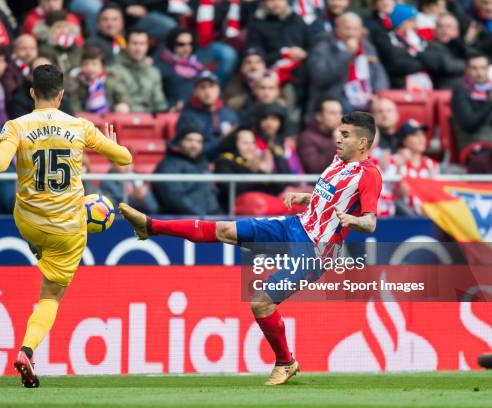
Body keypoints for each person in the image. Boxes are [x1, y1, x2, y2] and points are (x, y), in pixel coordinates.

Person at [119, 111, 382, 385]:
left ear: (362, 143)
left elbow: (371, 223)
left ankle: (285, 362)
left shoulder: (370, 175)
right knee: (224, 229)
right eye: (339, 132)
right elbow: (331, 196)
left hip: (313, 251)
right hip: (293, 226)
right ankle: (150, 226)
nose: (337, 138)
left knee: (260, 302)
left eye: (345, 135)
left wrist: (354, 220)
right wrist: (308, 197)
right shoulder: (338, 161)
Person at [0, 64, 132, 388]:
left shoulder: (17, 125)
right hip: (68, 229)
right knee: (50, 297)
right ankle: (26, 350)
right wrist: (112, 146)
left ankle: (36, 246)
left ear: (32, 93)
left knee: (26, 200)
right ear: (61, 95)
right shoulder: (79, 126)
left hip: (27, 221)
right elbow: (125, 158)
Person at [306, 12, 389, 117]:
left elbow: (378, 70)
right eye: (347, 29)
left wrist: (378, 93)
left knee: (384, 108)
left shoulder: (366, 45)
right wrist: (347, 54)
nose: (351, 33)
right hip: (335, 96)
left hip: (365, 94)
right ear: (337, 28)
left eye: (355, 29)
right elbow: (321, 77)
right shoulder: (322, 45)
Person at [152, 126, 221, 215]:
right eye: (189, 140)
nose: (194, 145)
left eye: (198, 141)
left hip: (209, 219)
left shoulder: (203, 163)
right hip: (185, 221)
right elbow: (173, 199)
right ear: (180, 142)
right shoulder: (168, 166)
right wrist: (201, 216)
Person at [176, 71, 239, 159]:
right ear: (195, 91)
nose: (208, 92)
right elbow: (189, 150)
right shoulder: (187, 117)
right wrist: (223, 141)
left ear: (218, 90)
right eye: (203, 87)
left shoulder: (229, 114)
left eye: (211, 87)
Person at [451, 51, 492, 173]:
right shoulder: (461, 92)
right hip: (474, 149)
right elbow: (469, 124)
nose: (479, 73)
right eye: (474, 68)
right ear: (467, 70)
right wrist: (488, 103)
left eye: (483, 68)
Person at [110, 29, 167, 113]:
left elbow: (159, 103)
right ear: (126, 45)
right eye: (134, 43)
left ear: (147, 46)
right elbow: (115, 101)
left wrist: (168, 110)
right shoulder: (113, 71)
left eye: (142, 44)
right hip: (123, 120)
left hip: (150, 121)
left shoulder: (154, 72)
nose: (138, 48)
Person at [66, 46, 129, 114]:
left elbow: (122, 96)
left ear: (103, 66)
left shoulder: (110, 80)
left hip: (109, 117)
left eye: (94, 64)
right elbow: (75, 105)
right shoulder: (76, 83)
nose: (90, 68)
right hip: (85, 120)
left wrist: (123, 104)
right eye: (86, 64)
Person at [156, 27, 205, 110]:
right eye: (181, 44)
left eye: (190, 44)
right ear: (172, 44)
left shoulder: (198, 66)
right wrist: (171, 106)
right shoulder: (160, 68)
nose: (187, 48)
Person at [421, 13, 470, 90]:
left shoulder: (460, 45)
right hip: (444, 91)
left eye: (448, 26)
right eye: (440, 26)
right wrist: (470, 66)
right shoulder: (431, 47)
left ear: (457, 31)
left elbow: (480, 58)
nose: (444, 30)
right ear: (435, 31)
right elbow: (447, 66)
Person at [297, 97, 343, 173]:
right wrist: (335, 144)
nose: (338, 117)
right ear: (319, 116)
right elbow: (315, 169)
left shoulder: (345, 135)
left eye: (340, 113)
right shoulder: (306, 138)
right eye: (332, 113)